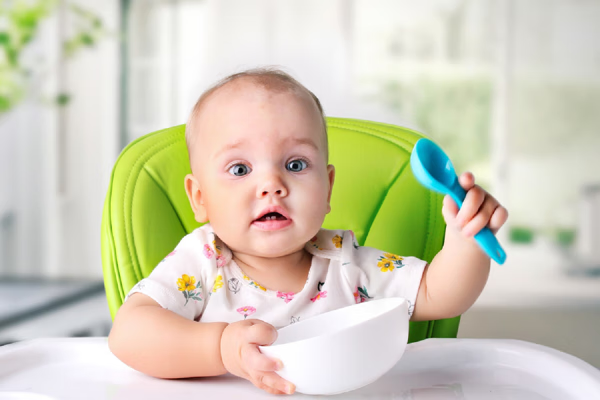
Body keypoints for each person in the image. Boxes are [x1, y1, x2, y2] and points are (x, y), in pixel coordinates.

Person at [108, 67, 508, 395]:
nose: (272, 184)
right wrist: (220, 348)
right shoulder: (200, 263)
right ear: (200, 198)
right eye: (240, 169)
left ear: (328, 188)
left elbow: (439, 296)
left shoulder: (345, 262)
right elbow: (129, 334)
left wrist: (465, 238)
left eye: (296, 164)